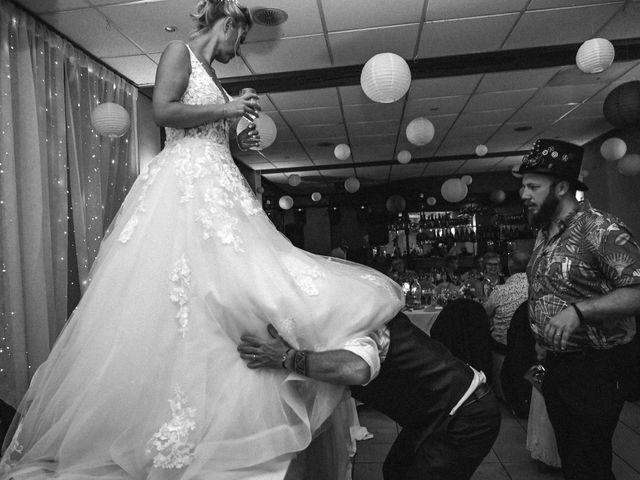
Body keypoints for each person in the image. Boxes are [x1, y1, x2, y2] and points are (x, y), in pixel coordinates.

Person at [0, 2, 404, 479]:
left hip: (219, 180)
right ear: (229, 23)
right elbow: (165, 111)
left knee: (229, 294)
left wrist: (240, 134)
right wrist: (226, 108)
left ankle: (220, 409)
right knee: (183, 295)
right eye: (242, 38)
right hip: (186, 186)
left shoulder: (213, 75)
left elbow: (216, 135)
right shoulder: (179, 52)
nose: (240, 50)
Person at [238, 314, 501, 480]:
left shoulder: (363, 325)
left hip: (467, 412)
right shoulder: (345, 323)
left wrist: (287, 358)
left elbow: (356, 367)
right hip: (435, 413)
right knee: (396, 470)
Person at [517, 138, 640, 480]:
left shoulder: (601, 229)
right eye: (523, 186)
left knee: (589, 462)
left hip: (597, 366)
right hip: (559, 365)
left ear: (561, 186)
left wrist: (578, 312)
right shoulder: (544, 231)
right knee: (573, 459)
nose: (524, 194)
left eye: (533, 186)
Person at [484, 250, 530, 356]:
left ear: (509, 267)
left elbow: (484, 313)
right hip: (531, 347)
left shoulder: (500, 291)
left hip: (503, 349)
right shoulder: (537, 288)